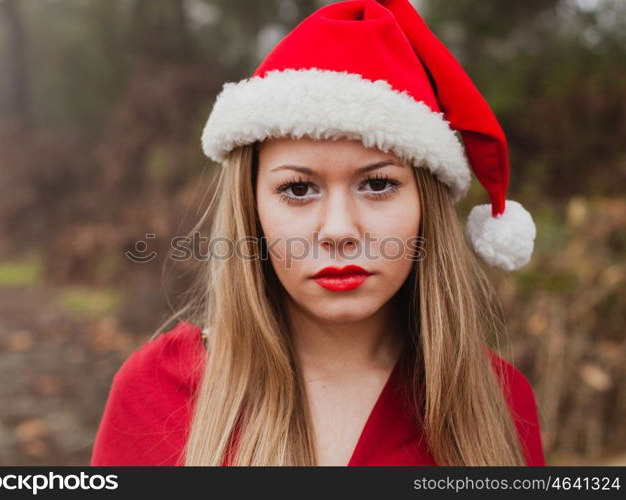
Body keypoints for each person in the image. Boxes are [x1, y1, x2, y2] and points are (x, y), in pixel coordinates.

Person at [90, 0, 543, 466]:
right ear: (252, 208)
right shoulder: (156, 393)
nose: (340, 231)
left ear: (426, 205)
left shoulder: (499, 403)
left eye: (379, 184)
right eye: (298, 188)